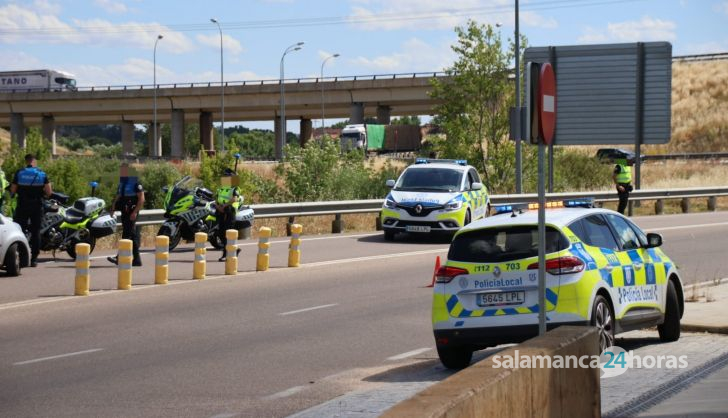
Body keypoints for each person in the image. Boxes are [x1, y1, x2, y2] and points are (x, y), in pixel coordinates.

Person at [9, 154, 52, 267]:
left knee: (19, 229)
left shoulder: (20, 172)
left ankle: (21, 256)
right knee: (36, 231)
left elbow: (13, 190)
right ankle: (34, 259)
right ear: (34, 161)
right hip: (37, 206)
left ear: (26, 161)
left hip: (22, 205)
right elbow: (49, 192)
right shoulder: (41, 173)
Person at [108, 163, 144, 267]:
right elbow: (118, 196)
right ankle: (137, 260)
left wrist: (135, 212)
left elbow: (141, 199)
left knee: (127, 234)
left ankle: (119, 258)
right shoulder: (122, 183)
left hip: (132, 211)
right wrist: (113, 208)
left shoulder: (136, 183)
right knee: (131, 234)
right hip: (125, 211)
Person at [215, 168, 241, 262]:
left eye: (227, 176)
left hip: (230, 212)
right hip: (221, 212)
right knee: (220, 233)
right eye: (224, 176)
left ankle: (226, 254)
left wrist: (224, 206)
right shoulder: (221, 188)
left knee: (228, 233)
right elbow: (216, 199)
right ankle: (235, 249)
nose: (225, 178)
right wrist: (218, 207)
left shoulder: (235, 188)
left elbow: (234, 199)